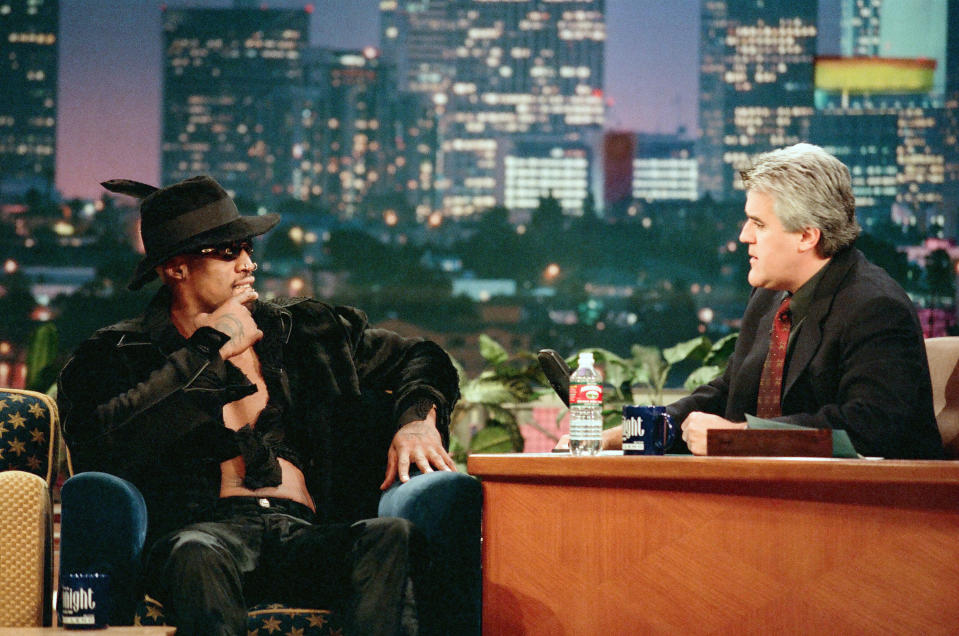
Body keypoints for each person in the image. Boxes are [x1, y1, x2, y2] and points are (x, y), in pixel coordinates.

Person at [57, 175, 462, 635]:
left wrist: (417, 422)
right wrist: (211, 346)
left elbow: (423, 358)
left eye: (248, 248)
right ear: (175, 269)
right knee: (195, 554)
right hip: (204, 534)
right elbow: (105, 440)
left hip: (304, 534)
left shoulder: (306, 330)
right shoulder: (116, 354)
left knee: (390, 538)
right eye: (229, 253)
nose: (248, 264)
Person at [562, 143, 945, 459]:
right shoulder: (768, 298)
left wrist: (740, 437)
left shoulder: (875, 308)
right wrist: (618, 436)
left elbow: (867, 430)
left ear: (807, 236)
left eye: (759, 224)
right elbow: (725, 394)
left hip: (876, 515)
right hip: (774, 501)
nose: (745, 235)